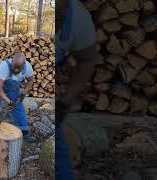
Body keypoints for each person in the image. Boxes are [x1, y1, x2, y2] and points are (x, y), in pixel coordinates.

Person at [57, 0, 103, 179]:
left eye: (60, 10)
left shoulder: (78, 19)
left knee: (59, 157)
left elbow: (87, 60)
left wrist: (66, 102)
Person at [0, 52, 37, 143]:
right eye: (14, 67)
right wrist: (9, 102)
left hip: (13, 87)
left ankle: (24, 132)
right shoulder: (4, 67)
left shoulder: (28, 68)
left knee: (18, 108)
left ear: (24, 65)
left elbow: (30, 81)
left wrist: (24, 93)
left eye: (19, 68)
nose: (16, 70)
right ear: (12, 61)